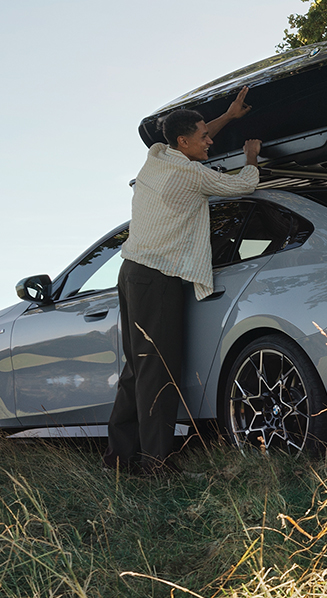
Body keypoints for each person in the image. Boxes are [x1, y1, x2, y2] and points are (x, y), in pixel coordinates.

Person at [105, 87, 261, 474]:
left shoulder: (156, 158)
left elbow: (194, 136)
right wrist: (251, 158)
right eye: (204, 137)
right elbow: (243, 186)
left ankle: (120, 459)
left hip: (132, 273)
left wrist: (227, 116)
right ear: (183, 142)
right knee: (158, 370)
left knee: (138, 368)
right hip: (157, 278)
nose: (210, 140)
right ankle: (157, 462)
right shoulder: (191, 175)